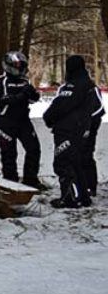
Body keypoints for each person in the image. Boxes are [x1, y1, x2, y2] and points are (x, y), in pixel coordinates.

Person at [0, 51, 44, 189]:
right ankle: (10, 182)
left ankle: (31, 179)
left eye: (22, 66)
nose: (20, 68)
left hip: (23, 121)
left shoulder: (25, 81)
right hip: (5, 122)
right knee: (9, 153)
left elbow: (32, 99)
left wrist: (33, 95)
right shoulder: (0, 82)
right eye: (17, 66)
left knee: (34, 148)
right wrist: (15, 98)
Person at [43, 55, 94, 208]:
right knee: (75, 162)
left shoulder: (74, 86)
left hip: (68, 130)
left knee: (63, 163)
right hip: (79, 128)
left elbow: (60, 105)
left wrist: (48, 117)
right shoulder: (88, 84)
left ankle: (69, 198)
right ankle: (83, 196)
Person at [82, 84, 105, 196]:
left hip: (89, 125)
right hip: (74, 127)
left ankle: (90, 186)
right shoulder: (65, 88)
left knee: (86, 155)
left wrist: (88, 125)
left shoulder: (92, 89)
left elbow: (99, 109)